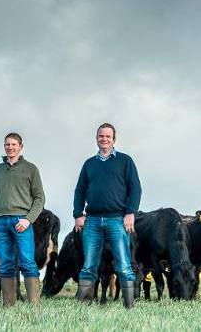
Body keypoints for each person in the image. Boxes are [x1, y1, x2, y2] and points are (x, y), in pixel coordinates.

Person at [73, 123, 141, 308]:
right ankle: (82, 306)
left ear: (114, 139)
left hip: (117, 220)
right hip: (92, 220)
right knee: (89, 266)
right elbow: (79, 190)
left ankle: (129, 307)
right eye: (101, 136)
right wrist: (78, 214)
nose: (104, 139)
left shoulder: (125, 161)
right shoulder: (89, 164)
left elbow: (135, 189)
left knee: (124, 266)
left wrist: (130, 212)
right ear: (97, 139)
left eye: (108, 136)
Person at [0, 132, 45, 307]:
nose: (10, 148)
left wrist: (28, 219)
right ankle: (8, 305)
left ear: (20, 146)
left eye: (13, 145)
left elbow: (40, 198)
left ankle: (34, 306)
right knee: (5, 264)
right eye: (7, 145)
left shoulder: (31, 169)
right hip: (0, 223)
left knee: (27, 262)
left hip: (21, 222)